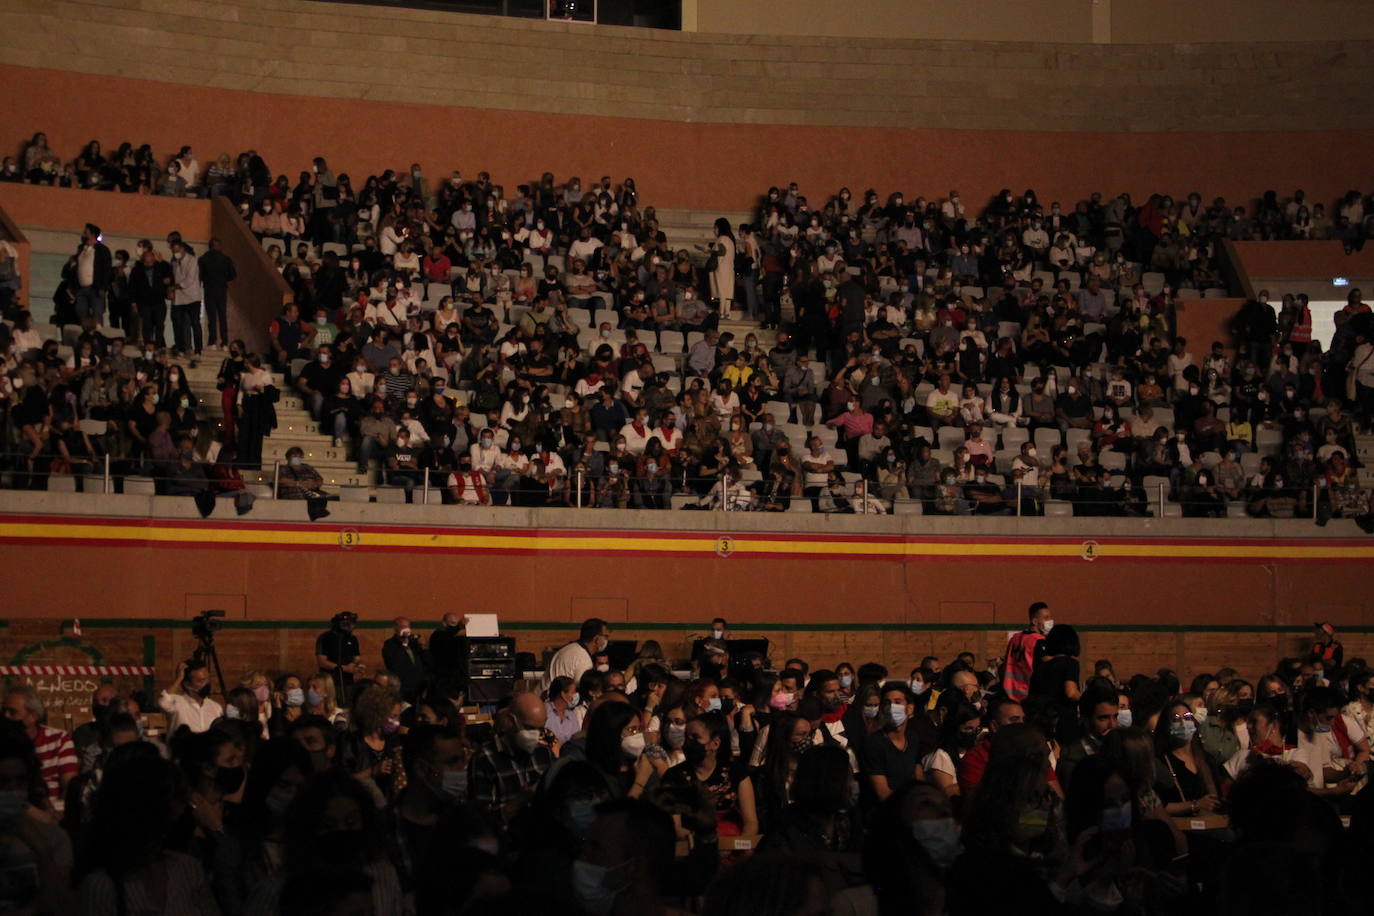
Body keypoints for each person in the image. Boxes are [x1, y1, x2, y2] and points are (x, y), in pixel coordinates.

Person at [469, 691, 556, 825]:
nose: (535, 735)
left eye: (540, 730)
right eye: (529, 728)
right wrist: (521, 801)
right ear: (511, 720)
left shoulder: (544, 753)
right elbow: (481, 820)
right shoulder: (484, 759)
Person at [3, 686, 77, 811]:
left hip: (53, 809)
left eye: (12, 712)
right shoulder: (3, 742)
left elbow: (70, 784)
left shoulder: (58, 738)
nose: (6, 716)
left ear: (33, 716)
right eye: (3, 711)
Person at [1001, 601, 1054, 700]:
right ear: (1034, 621)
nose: (1050, 621)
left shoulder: (1015, 638)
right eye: (1046, 618)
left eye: (1050, 617)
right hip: (1028, 693)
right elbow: (1048, 663)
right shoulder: (1039, 641)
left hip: (1009, 692)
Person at [157, 657, 224, 734]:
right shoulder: (177, 703)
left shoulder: (216, 708)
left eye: (207, 679)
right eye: (200, 681)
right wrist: (179, 678)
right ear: (187, 684)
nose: (206, 684)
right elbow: (163, 702)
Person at [543, 617, 610, 692]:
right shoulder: (583, 659)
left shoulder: (568, 649)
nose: (606, 640)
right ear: (596, 639)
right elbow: (583, 691)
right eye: (605, 636)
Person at [197, 238, 236, 351]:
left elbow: (199, 276)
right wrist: (223, 279)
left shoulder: (203, 259)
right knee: (222, 317)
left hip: (209, 290)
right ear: (219, 246)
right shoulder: (226, 259)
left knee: (212, 318)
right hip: (221, 290)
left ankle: (212, 341)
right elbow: (232, 275)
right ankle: (224, 343)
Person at [381, 616, 430, 702]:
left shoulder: (414, 643)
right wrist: (403, 644)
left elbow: (428, 662)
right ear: (395, 628)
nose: (406, 629)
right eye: (402, 626)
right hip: (402, 686)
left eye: (407, 627)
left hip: (418, 686)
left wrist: (423, 647)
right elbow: (393, 664)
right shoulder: (390, 644)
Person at [315, 611, 363, 697]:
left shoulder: (353, 639)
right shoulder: (325, 638)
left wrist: (354, 666)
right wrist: (343, 668)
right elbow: (322, 662)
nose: (352, 626)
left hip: (348, 681)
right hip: (330, 681)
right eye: (350, 623)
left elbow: (357, 658)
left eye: (353, 623)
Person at [72, 223, 112, 324]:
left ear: (92, 234)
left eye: (86, 232)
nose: (84, 234)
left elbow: (107, 270)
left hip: (95, 288)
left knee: (97, 314)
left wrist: (103, 287)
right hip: (81, 288)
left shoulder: (102, 250)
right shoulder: (82, 249)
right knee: (81, 313)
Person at [428, 612, 469, 692]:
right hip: (443, 678)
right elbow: (446, 638)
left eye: (456, 623)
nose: (454, 626)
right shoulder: (437, 636)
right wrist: (459, 627)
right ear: (444, 623)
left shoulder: (455, 639)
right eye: (452, 623)